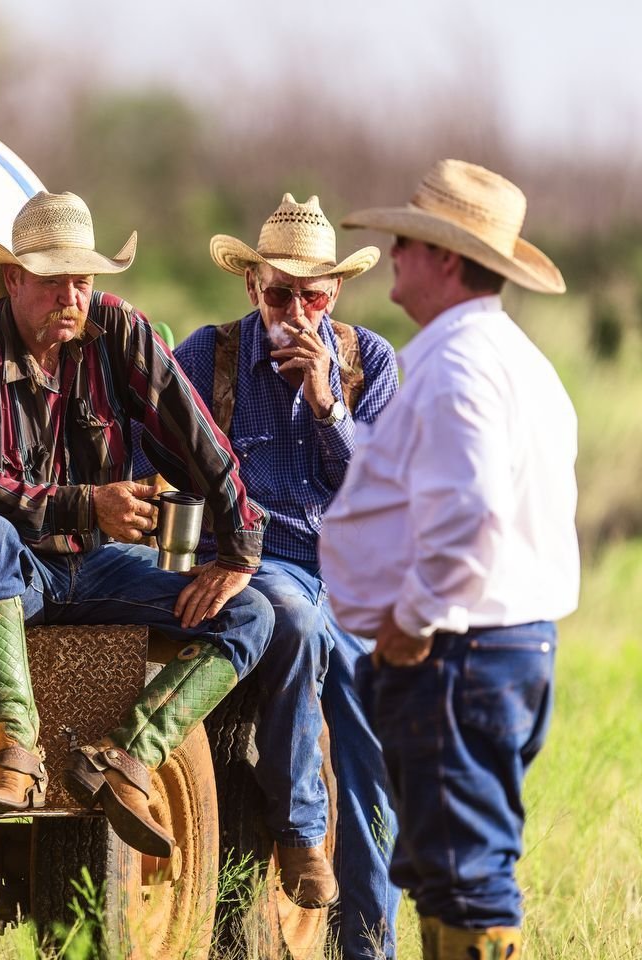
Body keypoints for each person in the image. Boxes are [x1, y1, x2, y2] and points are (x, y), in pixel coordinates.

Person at [0, 190, 273, 857]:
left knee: (252, 614)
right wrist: (89, 504)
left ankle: (127, 760)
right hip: (13, 573)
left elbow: (194, 433)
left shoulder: (117, 330)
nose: (70, 297)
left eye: (81, 282)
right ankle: (13, 752)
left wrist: (238, 548)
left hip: (97, 566)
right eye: (53, 282)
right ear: (15, 280)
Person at [321, 159, 579, 959]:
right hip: (499, 643)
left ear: (442, 257)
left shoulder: (461, 365)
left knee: (464, 877)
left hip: (458, 650)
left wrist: (413, 618)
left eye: (406, 240)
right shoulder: (506, 359)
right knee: (451, 871)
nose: (394, 254)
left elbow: (472, 509)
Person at [135, 193, 400, 946]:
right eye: (279, 292)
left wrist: (326, 406)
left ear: (335, 293)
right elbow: (149, 454)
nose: (295, 311)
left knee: (374, 770)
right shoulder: (207, 356)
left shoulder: (367, 362)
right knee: (286, 613)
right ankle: (297, 831)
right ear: (251, 285)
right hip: (253, 568)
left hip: (352, 578)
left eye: (311, 295)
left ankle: (368, 942)